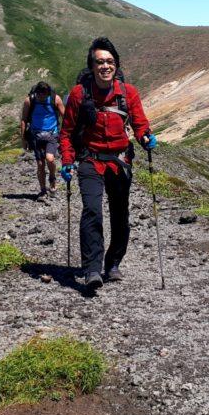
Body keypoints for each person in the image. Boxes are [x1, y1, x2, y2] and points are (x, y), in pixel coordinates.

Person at [58, 37, 156, 290]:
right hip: (90, 160)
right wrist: (68, 160)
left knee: (120, 215)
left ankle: (113, 264)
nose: (105, 66)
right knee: (92, 210)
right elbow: (67, 132)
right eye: (100, 62)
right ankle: (92, 269)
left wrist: (146, 137)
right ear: (91, 66)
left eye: (110, 61)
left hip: (120, 161)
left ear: (116, 65)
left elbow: (139, 123)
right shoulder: (80, 94)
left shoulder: (128, 93)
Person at [19, 81, 66, 197]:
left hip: (52, 134)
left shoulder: (55, 99)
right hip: (36, 135)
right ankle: (43, 189)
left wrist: (67, 134)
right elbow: (24, 119)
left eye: (44, 95)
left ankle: (52, 178)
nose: (42, 98)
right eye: (40, 95)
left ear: (48, 93)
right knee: (40, 164)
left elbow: (65, 116)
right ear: (36, 93)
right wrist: (24, 138)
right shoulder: (29, 100)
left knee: (50, 159)